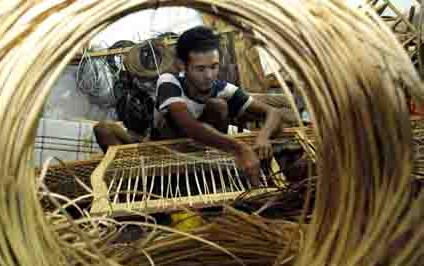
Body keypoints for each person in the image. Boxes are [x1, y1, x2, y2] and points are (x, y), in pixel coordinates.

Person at [94, 26, 293, 185]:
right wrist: (239, 148)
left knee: (218, 106)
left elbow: (273, 113)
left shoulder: (223, 88)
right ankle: (137, 185)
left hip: (203, 152)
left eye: (214, 67)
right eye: (200, 68)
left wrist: (263, 136)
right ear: (182, 65)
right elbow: (187, 125)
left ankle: (214, 177)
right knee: (103, 129)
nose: (209, 76)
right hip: (162, 151)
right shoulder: (169, 81)